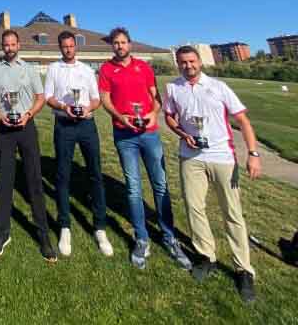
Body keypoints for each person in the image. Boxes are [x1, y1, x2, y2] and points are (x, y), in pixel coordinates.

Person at [163, 45, 261, 302]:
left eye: (192, 61)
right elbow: (170, 118)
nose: (188, 66)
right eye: (183, 62)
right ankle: (206, 256)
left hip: (222, 158)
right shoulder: (173, 88)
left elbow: (243, 121)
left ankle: (243, 269)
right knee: (195, 209)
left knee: (232, 213)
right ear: (178, 63)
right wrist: (183, 134)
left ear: (199, 62)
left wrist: (253, 154)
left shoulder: (218, 86)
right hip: (191, 159)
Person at [98, 27, 191, 270]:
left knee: (160, 184)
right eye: (116, 43)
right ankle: (142, 237)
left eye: (123, 42)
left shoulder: (144, 67)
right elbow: (105, 99)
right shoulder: (107, 69)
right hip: (124, 135)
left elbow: (156, 98)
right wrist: (120, 116)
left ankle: (169, 236)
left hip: (149, 134)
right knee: (133, 187)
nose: (119, 46)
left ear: (130, 44)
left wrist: (152, 114)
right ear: (112, 46)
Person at [0, 29, 57, 262]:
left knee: (34, 179)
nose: (9, 48)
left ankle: (43, 234)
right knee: (5, 181)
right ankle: (3, 231)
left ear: (19, 45)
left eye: (13, 44)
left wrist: (28, 114)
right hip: (4, 129)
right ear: (2, 46)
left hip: (26, 127)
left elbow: (40, 97)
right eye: (6, 45)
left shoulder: (29, 69)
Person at [44, 31, 112, 257]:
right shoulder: (54, 69)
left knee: (95, 173)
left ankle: (100, 227)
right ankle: (64, 226)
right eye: (64, 46)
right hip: (63, 125)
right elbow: (48, 98)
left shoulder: (85, 70)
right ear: (60, 48)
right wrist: (64, 107)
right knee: (63, 175)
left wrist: (88, 109)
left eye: (71, 46)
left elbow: (96, 99)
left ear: (76, 47)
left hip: (86, 126)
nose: (68, 50)